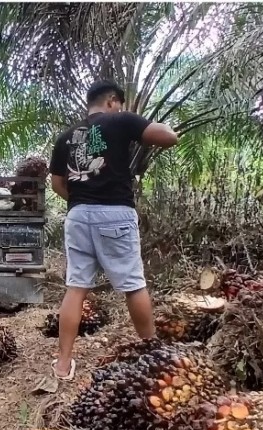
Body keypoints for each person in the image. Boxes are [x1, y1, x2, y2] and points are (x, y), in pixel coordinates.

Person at [48, 80, 179, 380]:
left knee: (76, 286)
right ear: (111, 101)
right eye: (118, 103)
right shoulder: (121, 119)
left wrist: (83, 202)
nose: (119, 107)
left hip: (78, 216)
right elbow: (167, 138)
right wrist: (162, 129)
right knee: (133, 284)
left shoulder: (67, 137)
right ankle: (152, 353)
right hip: (115, 214)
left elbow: (57, 184)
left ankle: (64, 364)